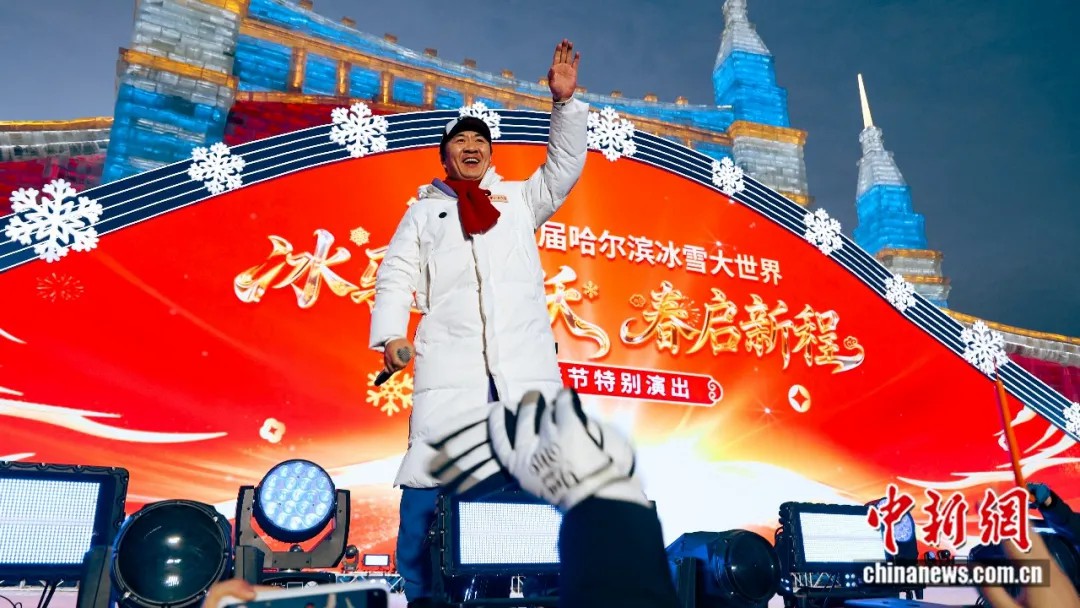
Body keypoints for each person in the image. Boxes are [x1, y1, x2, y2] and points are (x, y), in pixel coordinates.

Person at [367, 39, 589, 607]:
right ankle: (423, 597)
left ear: (491, 155)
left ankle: (538, 595)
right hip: (453, 369)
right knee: (426, 500)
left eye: (480, 142)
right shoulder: (423, 212)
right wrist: (391, 335)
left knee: (534, 496)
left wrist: (564, 106)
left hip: (520, 370)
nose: (471, 148)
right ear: (445, 156)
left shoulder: (519, 201)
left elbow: (564, 168)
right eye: (460, 142)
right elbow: (395, 275)